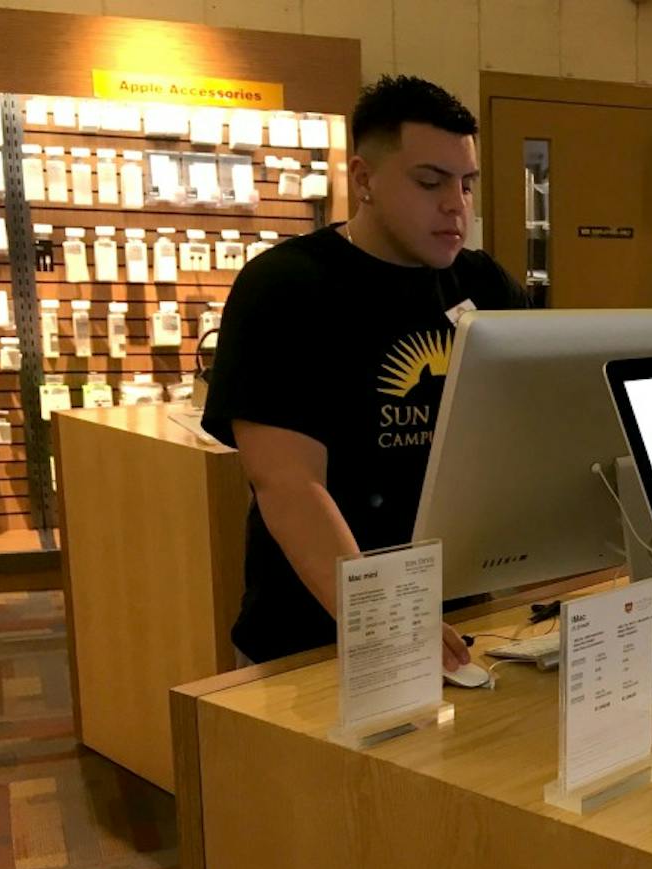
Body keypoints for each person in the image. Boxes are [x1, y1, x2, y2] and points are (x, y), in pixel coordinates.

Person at [202, 75, 527, 669]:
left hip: (463, 623)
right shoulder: (286, 288)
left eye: (467, 184)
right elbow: (288, 484)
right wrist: (385, 621)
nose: (456, 204)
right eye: (430, 182)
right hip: (314, 635)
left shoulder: (484, 285)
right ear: (363, 179)